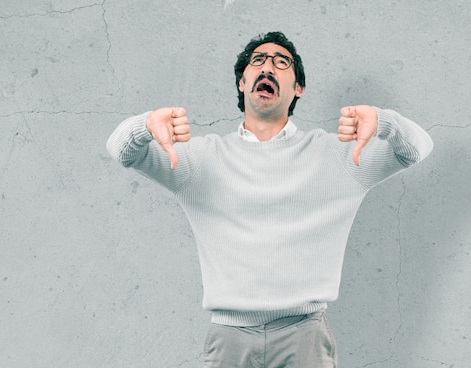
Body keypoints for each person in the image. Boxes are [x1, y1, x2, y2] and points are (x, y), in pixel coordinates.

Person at [106, 31, 433, 368]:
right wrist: (145, 125)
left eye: (282, 63)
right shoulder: (197, 160)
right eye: (258, 61)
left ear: (298, 88)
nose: (268, 68)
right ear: (242, 82)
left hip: (304, 337)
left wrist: (384, 122)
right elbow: (121, 151)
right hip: (229, 340)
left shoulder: (339, 158)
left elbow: (418, 149)